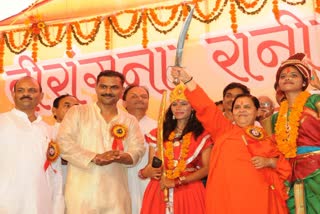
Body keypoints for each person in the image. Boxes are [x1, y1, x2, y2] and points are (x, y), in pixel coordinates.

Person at [170, 68, 292, 214]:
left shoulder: (268, 138)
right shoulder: (223, 130)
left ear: (257, 112)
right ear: (232, 112)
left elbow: (285, 167)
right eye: (237, 107)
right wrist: (188, 80)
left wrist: (269, 162)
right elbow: (206, 107)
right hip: (229, 200)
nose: (242, 110)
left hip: (260, 198)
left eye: (247, 107)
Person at [56, 70, 145, 213]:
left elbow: (138, 148)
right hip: (81, 193)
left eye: (114, 87)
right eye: (103, 87)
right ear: (96, 88)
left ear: (122, 90)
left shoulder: (129, 120)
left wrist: (125, 157)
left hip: (116, 194)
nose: (108, 91)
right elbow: (63, 143)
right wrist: (94, 157)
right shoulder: (77, 112)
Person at [140, 83, 213, 214]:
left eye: (183, 104)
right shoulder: (158, 133)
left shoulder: (202, 135)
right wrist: (146, 172)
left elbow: (207, 168)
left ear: (192, 107)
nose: (178, 108)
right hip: (160, 190)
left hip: (189, 189)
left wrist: (178, 181)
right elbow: (151, 167)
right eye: (174, 104)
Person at [0, 76, 62, 213]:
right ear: (13, 94)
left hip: (40, 203)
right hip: (6, 203)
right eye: (21, 90)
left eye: (32, 90)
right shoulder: (2, 121)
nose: (26, 94)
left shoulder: (49, 130)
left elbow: (55, 172)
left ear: (41, 96)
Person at [270, 53, 320, 213]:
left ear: (304, 81)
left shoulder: (314, 101)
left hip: (316, 170)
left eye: (293, 75)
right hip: (288, 173)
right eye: (283, 76)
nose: (287, 78)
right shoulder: (276, 117)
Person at [122, 85, 157, 214]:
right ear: (124, 102)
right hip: (121, 180)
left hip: (149, 181)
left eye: (144, 97)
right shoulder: (114, 125)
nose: (140, 99)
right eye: (134, 96)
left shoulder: (159, 126)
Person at [51, 94, 79, 191]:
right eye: (67, 105)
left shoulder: (86, 133)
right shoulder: (47, 133)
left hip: (81, 186)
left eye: (76, 107)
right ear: (54, 111)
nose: (72, 110)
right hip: (55, 186)